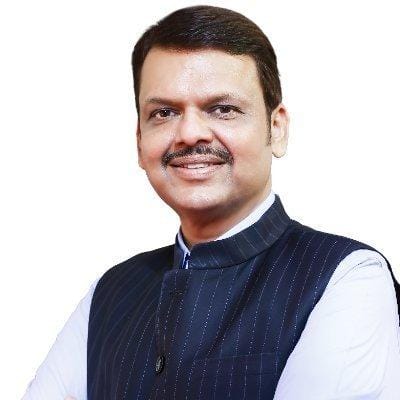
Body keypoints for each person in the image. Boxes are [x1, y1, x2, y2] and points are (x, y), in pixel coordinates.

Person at [22, 5, 400, 400]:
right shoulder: (110, 293)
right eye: (163, 113)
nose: (189, 133)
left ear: (276, 129)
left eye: (223, 109)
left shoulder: (345, 276)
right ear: (139, 141)